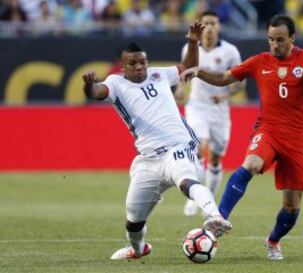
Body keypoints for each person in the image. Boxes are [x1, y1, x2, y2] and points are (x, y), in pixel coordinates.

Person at [181, 15, 303, 260]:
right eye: (271, 40)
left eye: (281, 40)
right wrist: (199, 71)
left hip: (296, 138)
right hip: (268, 130)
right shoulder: (259, 61)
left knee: (292, 205)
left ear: (292, 38)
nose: (275, 45)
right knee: (250, 164)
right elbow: (223, 78)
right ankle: (218, 218)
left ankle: (273, 241)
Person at [81, 21, 232, 261]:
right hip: (148, 159)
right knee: (133, 219)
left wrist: (193, 40)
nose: (140, 67)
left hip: (178, 146)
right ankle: (138, 250)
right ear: (123, 66)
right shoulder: (115, 84)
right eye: (133, 63)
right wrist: (89, 84)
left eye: (143, 61)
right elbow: (96, 93)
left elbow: (189, 67)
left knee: (186, 181)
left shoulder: (160, 74)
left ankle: (214, 217)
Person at [176, 10, 244, 217]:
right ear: (201, 26)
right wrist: (179, 89)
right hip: (197, 106)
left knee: (214, 160)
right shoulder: (189, 48)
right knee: (198, 149)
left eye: (213, 23)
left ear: (219, 26)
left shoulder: (230, 51)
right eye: (206, 23)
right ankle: (195, 198)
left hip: (220, 112)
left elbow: (241, 82)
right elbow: (183, 73)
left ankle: (208, 199)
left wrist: (223, 97)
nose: (210, 27)